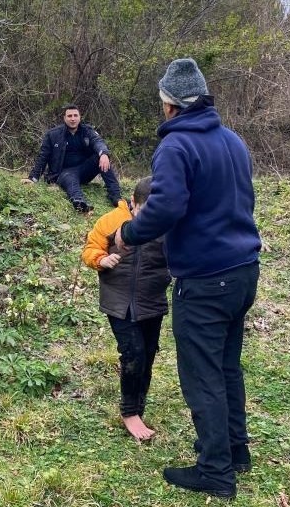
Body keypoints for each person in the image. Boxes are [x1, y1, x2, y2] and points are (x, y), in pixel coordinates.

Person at [115, 58, 261, 498]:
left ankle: (216, 471)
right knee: (226, 367)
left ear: (170, 105)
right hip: (243, 272)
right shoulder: (233, 140)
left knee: (202, 376)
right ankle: (236, 451)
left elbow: (164, 207)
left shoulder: (175, 148)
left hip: (205, 280)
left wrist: (127, 233)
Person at [82, 176, 170, 441]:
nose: (149, 219)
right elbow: (89, 249)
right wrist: (101, 259)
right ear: (133, 203)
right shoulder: (110, 221)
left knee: (149, 353)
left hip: (152, 300)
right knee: (133, 353)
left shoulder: (168, 222)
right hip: (118, 301)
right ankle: (129, 412)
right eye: (145, 212)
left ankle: (139, 406)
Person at [22, 104, 122, 213]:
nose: (73, 119)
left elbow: (98, 142)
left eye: (75, 115)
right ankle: (79, 202)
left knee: (102, 158)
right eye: (69, 116)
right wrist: (33, 178)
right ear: (64, 118)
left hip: (83, 171)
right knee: (70, 177)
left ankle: (116, 197)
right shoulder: (52, 135)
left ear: (80, 117)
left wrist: (103, 153)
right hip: (61, 173)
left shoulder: (87, 130)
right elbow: (43, 156)